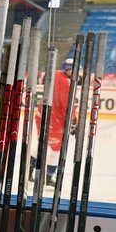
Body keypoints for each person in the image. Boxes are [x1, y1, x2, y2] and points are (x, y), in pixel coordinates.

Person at [32, 55, 75, 187]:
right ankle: (50, 177)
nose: (73, 72)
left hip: (42, 114)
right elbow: (66, 105)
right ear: (66, 69)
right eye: (71, 69)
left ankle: (29, 172)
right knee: (56, 149)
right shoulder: (67, 83)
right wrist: (73, 122)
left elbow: (44, 79)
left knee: (42, 143)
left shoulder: (55, 73)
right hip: (54, 120)